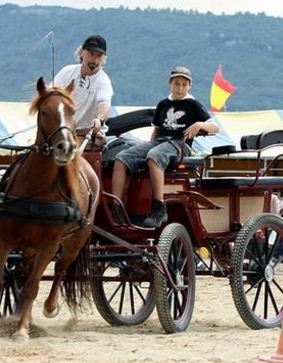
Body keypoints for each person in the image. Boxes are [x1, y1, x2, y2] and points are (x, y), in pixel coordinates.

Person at [112, 66, 219, 228]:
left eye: (184, 84)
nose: (180, 88)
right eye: (177, 84)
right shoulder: (163, 104)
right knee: (121, 158)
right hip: (160, 142)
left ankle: (159, 208)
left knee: (154, 156)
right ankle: (116, 206)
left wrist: (198, 125)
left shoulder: (193, 104)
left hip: (179, 144)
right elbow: (156, 131)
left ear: (189, 86)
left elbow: (215, 127)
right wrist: (146, 147)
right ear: (170, 84)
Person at [53, 34, 113, 146]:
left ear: (104, 58)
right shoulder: (66, 72)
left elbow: (104, 105)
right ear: (81, 52)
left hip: (89, 136)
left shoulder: (103, 81)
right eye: (91, 54)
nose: (94, 60)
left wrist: (99, 120)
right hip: (62, 132)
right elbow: (52, 96)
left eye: (99, 56)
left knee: (64, 150)